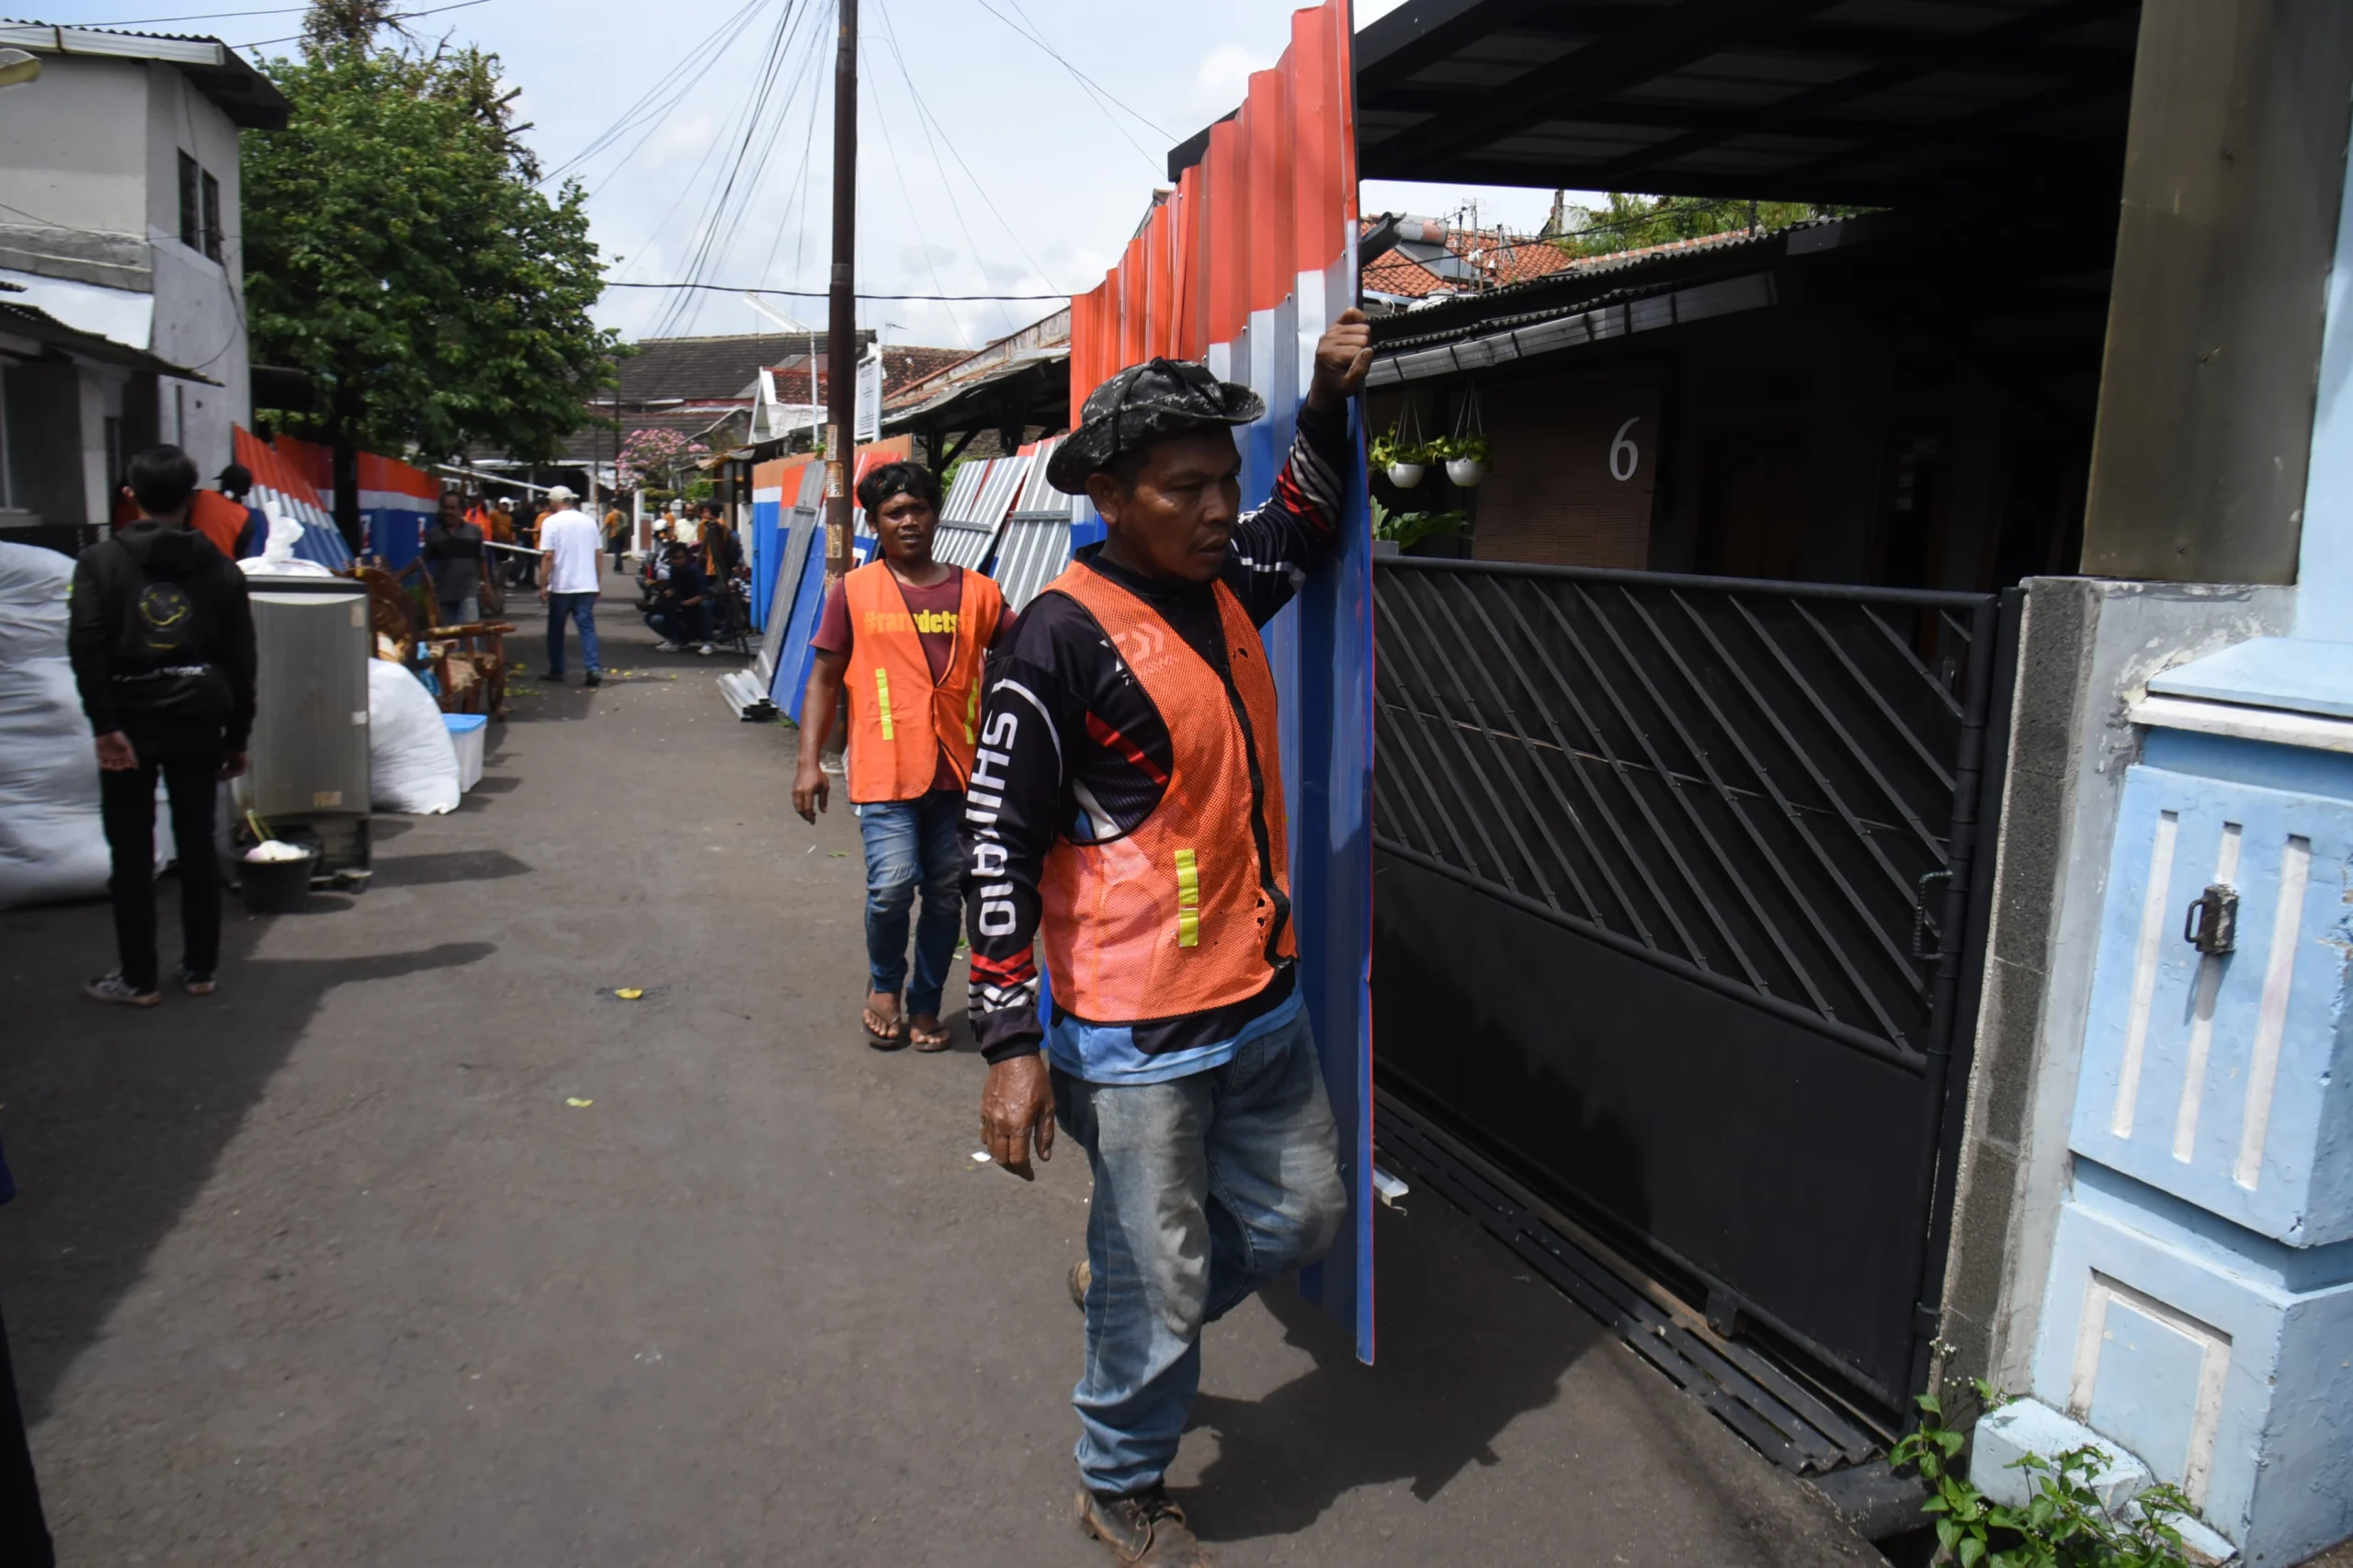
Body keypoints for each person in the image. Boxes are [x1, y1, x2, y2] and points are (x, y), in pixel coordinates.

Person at [965, 313, 1373, 1565]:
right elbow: (996, 840)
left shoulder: (1226, 584)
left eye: (1224, 484)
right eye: (1183, 487)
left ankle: (1139, 1299)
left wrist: (1322, 404)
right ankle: (1120, 1474)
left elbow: (1301, 524)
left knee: (1302, 1214)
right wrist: (1007, 1039)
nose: (1216, 510)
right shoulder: (1059, 638)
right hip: (1132, 1030)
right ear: (1106, 493)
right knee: (1158, 1269)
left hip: (1256, 999)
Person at [793, 460, 1011, 1052]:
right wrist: (809, 762)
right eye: (894, 513)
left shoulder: (979, 592)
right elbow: (823, 678)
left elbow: (1028, 658)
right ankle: (885, 985)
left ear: (935, 515)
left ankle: (925, 1004)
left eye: (918, 509)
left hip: (961, 776)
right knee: (892, 886)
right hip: (884, 772)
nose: (908, 521)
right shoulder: (856, 593)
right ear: (875, 522)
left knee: (944, 894)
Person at [67, 444, 257, 1007]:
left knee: (130, 852)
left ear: (131, 495)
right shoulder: (220, 568)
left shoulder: (100, 563)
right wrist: (238, 734)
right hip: (197, 717)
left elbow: (86, 645)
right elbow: (242, 658)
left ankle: (138, 978)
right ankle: (200, 969)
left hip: (128, 722)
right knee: (197, 845)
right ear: (193, 498)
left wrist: (104, 724)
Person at [535, 484, 604, 688]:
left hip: (562, 585)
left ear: (555, 502)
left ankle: (557, 669)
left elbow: (548, 556)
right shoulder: (589, 522)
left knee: (556, 629)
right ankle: (593, 667)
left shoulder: (551, 522)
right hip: (586, 585)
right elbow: (598, 554)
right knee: (587, 628)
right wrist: (596, 582)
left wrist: (542, 585)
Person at [410, 490, 485, 631]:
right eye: (445, 508)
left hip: (467, 592)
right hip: (443, 595)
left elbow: (481, 559)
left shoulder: (474, 532)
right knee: (449, 639)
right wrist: (400, 574)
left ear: (461, 510)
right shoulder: (434, 534)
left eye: (452, 508)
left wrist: (487, 585)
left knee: (470, 636)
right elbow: (423, 560)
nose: (448, 512)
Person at [642, 540, 716, 654]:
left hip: (696, 606)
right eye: (673, 558)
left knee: (705, 605)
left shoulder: (694, 571)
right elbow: (673, 587)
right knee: (652, 617)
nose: (676, 561)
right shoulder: (674, 570)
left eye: (679, 558)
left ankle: (708, 642)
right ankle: (676, 641)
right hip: (681, 607)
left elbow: (704, 594)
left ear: (686, 557)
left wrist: (688, 603)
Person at [215, 464, 269, 559]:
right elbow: (239, 556)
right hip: (220, 570)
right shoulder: (246, 520)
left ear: (223, 483)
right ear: (246, 492)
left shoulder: (199, 496)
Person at [604, 502, 631, 574]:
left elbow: (605, 525)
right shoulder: (622, 514)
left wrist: (599, 532)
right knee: (619, 552)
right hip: (622, 534)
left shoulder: (611, 515)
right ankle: (620, 568)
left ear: (612, 506)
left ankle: (617, 568)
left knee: (617, 552)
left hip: (614, 534)